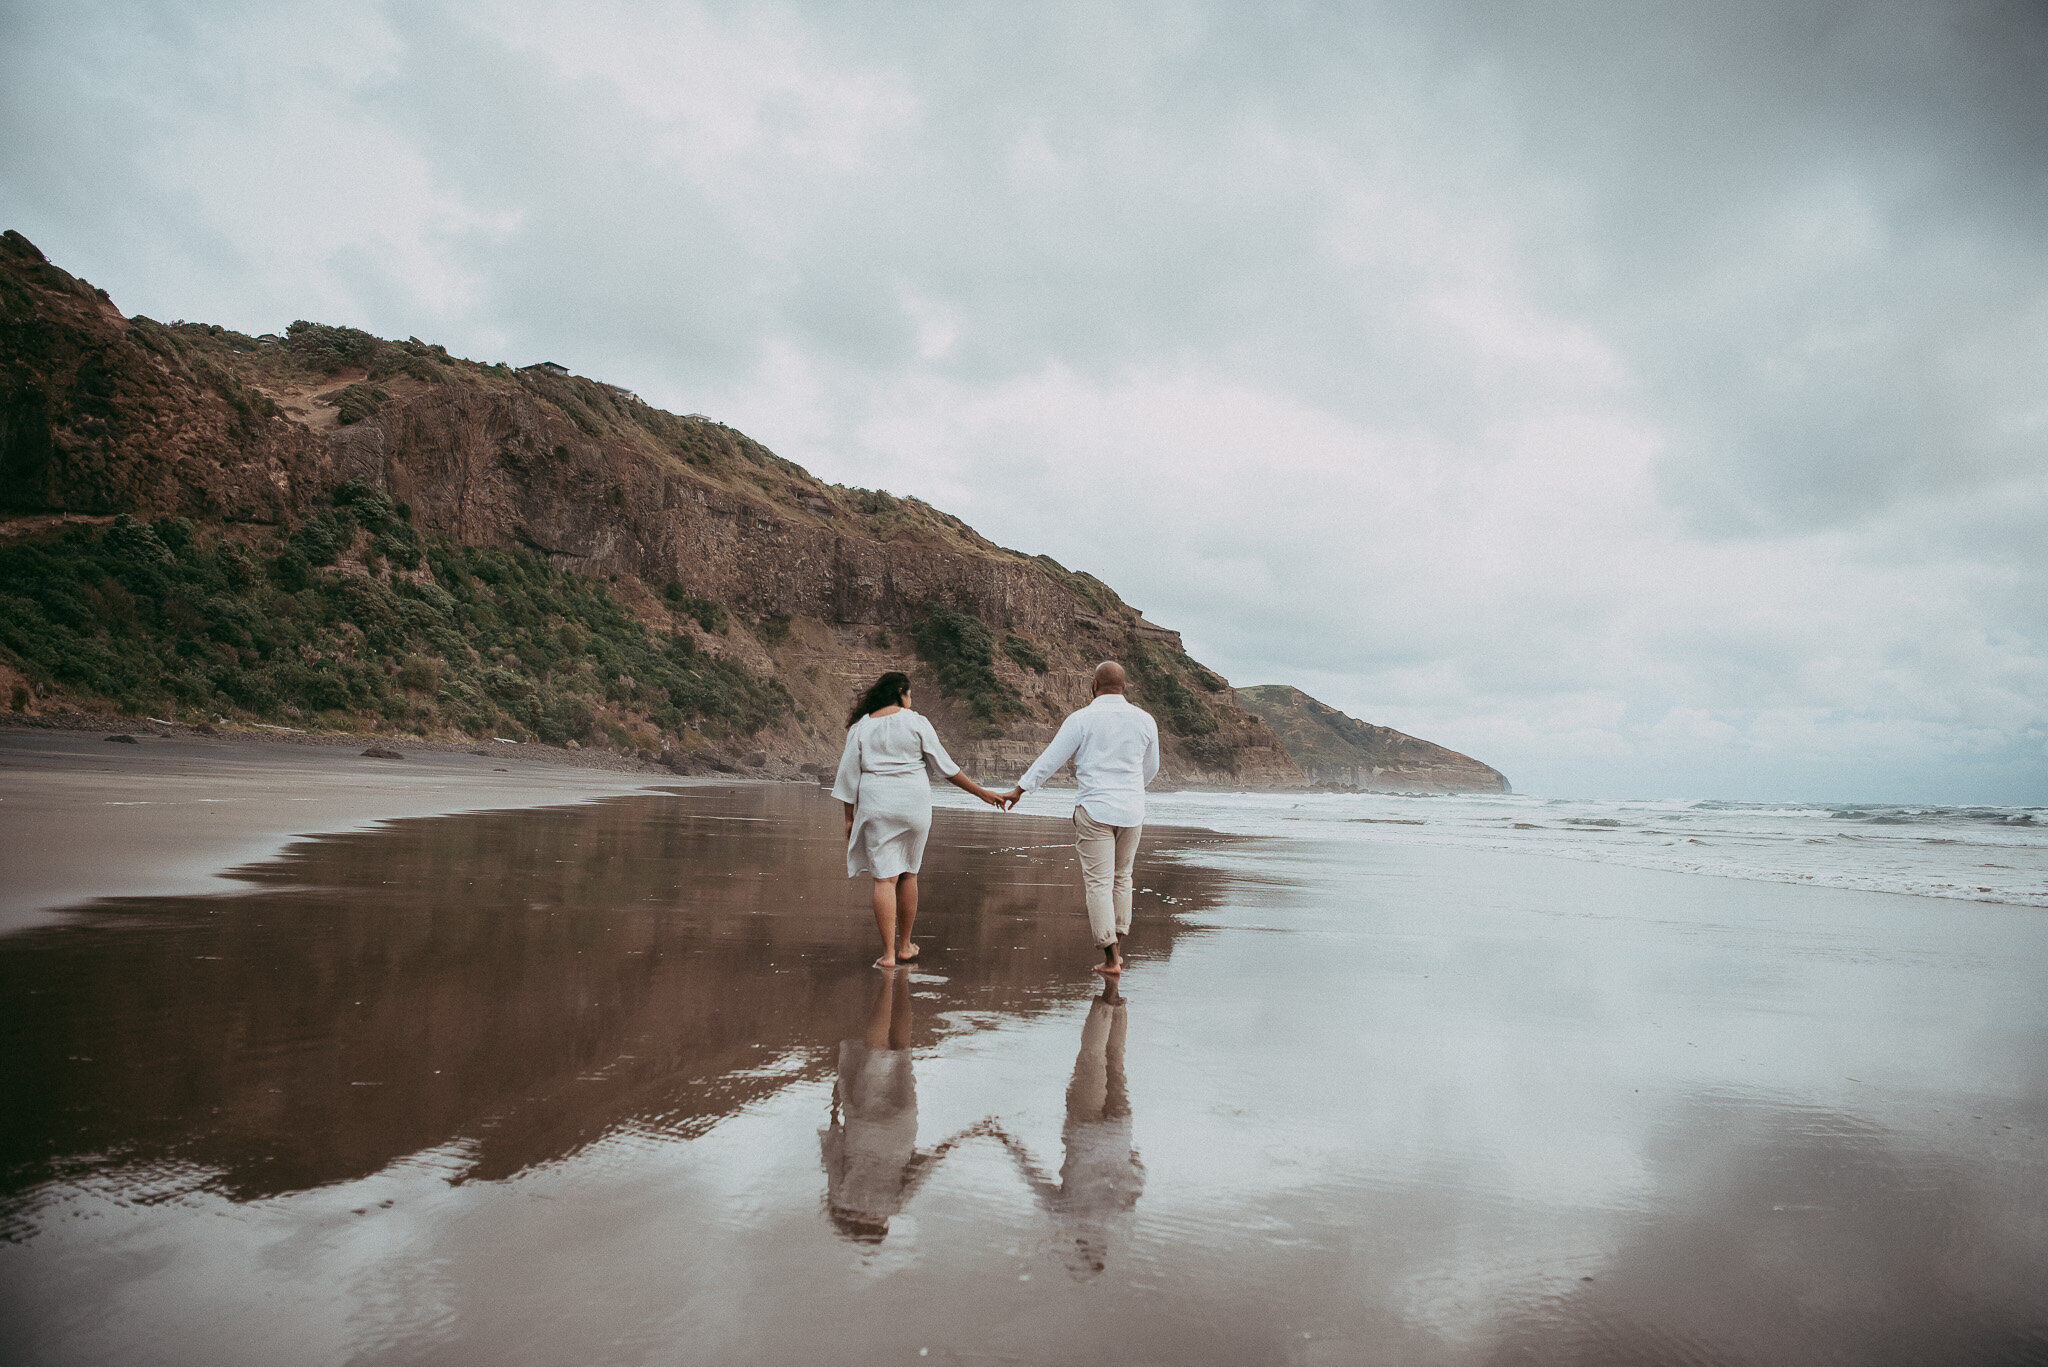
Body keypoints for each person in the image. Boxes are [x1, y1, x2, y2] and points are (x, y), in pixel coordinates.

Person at [833, 670, 1005, 967]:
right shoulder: (916, 722)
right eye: (909, 694)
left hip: (877, 804)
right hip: (914, 804)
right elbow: (946, 768)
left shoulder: (861, 728)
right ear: (901, 692)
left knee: (884, 879)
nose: (910, 700)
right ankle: (905, 946)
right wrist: (981, 793)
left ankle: (887, 955)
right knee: (909, 873)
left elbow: (848, 776)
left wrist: (849, 818)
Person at [999, 661, 1160, 976]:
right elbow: (1150, 768)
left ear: (1094, 685)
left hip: (1095, 810)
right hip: (1132, 811)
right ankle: (1118, 948)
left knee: (1099, 882)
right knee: (1122, 876)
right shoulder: (1145, 720)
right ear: (1123, 687)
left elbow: (1052, 758)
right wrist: (1129, 791)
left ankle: (1111, 959)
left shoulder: (1082, 719)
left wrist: (1019, 790)